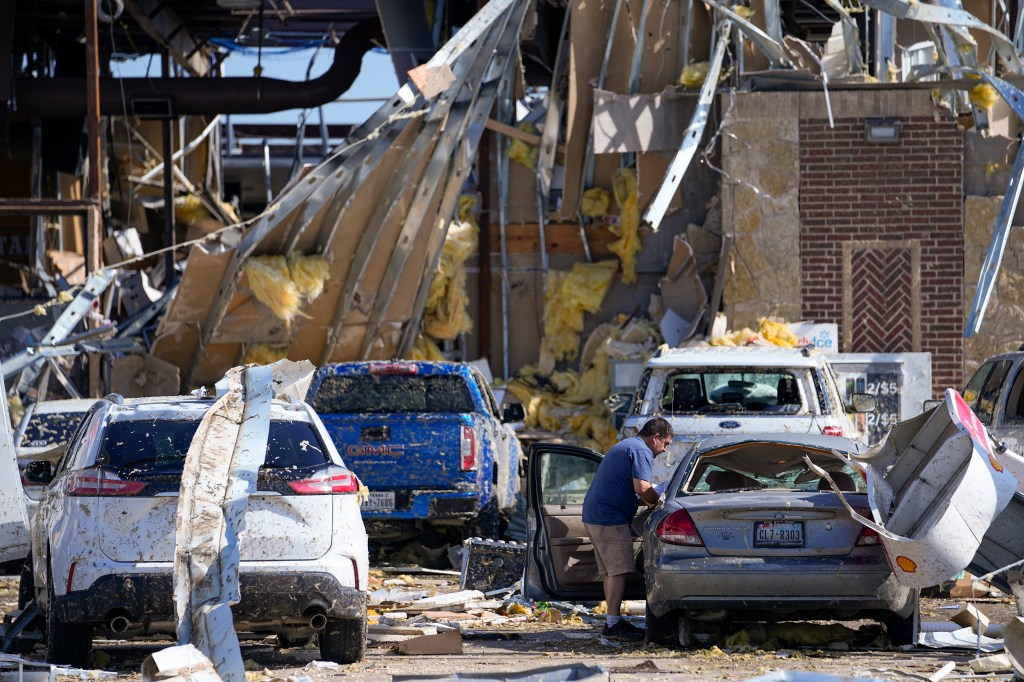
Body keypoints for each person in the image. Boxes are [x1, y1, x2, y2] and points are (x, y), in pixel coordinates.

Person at [582, 417, 673, 641]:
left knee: (612, 572)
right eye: (666, 444)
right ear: (656, 438)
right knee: (618, 571)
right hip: (609, 518)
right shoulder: (641, 450)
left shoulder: (628, 445)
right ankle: (612, 625)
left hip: (597, 515)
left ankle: (612, 621)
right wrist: (658, 503)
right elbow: (642, 488)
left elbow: (630, 488)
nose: (665, 450)